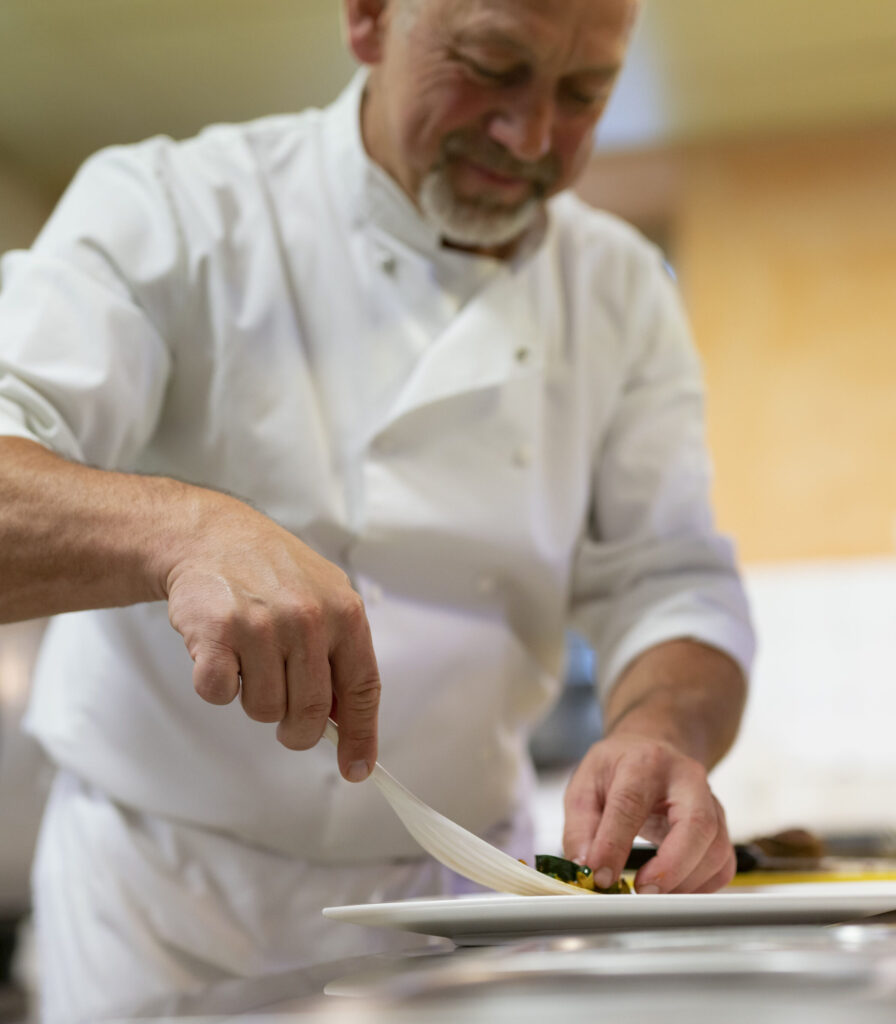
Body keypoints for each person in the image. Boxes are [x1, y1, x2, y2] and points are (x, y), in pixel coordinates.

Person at [0, 0, 754, 1018]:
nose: (530, 136)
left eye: (583, 94)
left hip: (451, 893)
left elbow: (672, 582)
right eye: (491, 66)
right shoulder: (173, 209)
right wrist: (179, 530)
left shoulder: (621, 291)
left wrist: (663, 724)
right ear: (366, 20)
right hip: (162, 909)